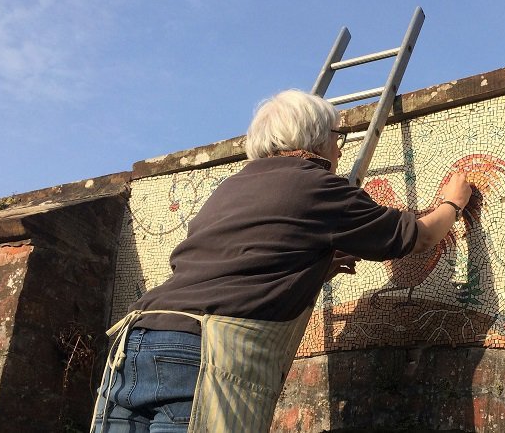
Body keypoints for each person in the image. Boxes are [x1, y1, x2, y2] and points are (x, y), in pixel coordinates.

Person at [91, 89, 472, 432]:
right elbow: (419, 237)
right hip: (200, 354)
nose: (339, 150)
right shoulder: (318, 186)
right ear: (318, 139)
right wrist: (453, 202)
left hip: (136, 343)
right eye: (337, 138)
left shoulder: (231, 186)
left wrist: (315, 266)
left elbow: (241, 261)